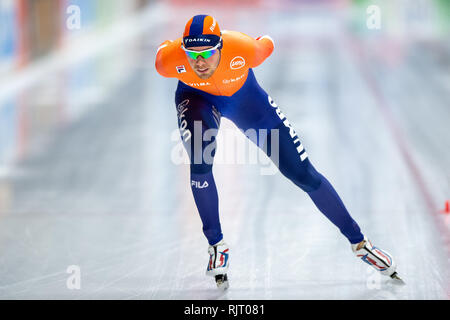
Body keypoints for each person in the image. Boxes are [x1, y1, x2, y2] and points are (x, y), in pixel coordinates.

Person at [155, 14, 400, 289]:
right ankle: (216, 245)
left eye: (207, 53)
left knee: (302, 174)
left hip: (247, 102)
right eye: (192, 54)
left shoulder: (245, 49)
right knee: (200, 159)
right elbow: (163, 50)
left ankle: (360, 243)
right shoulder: (169, 60)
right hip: (197, 99)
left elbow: (267, 42)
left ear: (221, 47)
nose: (199, 62)